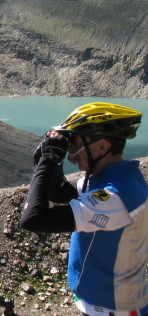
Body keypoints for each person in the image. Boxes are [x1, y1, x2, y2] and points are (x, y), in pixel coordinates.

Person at [20, 102, 148, 316]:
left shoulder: (115, 196)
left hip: (114, 307)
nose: (71, 150)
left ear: (102, 147)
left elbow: (33, 219)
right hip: (105, 302)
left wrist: (48, 161)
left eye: (75, 142)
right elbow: (58, 192)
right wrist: (51, 160)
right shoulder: (115, 179)